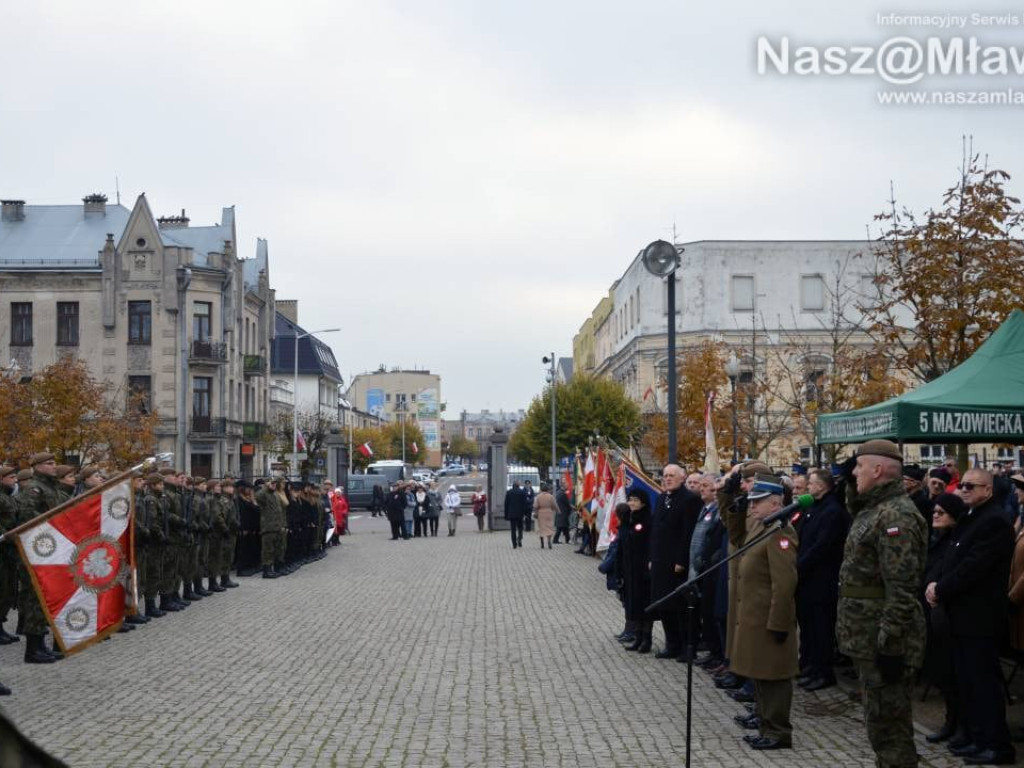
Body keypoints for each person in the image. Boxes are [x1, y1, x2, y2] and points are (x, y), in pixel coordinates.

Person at [837, 440, 928, 768]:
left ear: (877, 470)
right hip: (867, 637)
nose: (855, 472)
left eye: (859, 467)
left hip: (884, 641)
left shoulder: (896, 517)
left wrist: (891, 645)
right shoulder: (876, 508)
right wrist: (850, 481)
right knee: (880, 725)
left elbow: (902, 589)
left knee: (890, 730)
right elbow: (857, 507)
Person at [926, 468, 1015, 765]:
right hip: (961, 615)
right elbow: (953, 557)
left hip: (980, 617)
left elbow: (974, 567)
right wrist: (936, 583)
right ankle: (977, 738)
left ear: (987, 490)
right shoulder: (972, 517)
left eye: (969, 486)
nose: (961, 490)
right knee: (967, 682)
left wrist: (942, 588)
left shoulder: (994, 522)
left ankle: (996, 744)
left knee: (983, 684)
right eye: (960, 485)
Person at [730, 474, 799, 751]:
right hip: (755, 617)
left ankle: (778, 731)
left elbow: (784, 584)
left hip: (770, 620)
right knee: (761, 674)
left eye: (758, 502)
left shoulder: (780, 533)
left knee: (774, 678)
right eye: (751, 502)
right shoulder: (762, 527)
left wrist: (779, 623)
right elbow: (736, 537)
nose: (752, 507)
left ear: (775, 503)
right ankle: (765, 725)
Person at [795, 468, 849, 692]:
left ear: (824, 486)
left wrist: (798, 566)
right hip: (806, 579)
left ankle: (823, 671)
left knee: (821, 629)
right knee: (808, 627)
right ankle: (809, 665)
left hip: (821, 579)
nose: (808, 486)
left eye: (812, 483)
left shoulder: (833, 511)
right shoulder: (812, 507)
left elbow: (821, 546)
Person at [922, 493, 966, 744]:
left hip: (947, 616)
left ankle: (958, 723)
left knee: (953, 675)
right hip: (933, 614)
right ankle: (951, 721)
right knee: (941, 672)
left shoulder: (954, 541)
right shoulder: (938, 540)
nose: (935, 515)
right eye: (934, 511)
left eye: (941, 512)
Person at [648, 463, 702, 660]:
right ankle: (671, 644)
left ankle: (688, 647)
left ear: (682, 477)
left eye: (672, 475)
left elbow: (688, 533)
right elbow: (655, 531)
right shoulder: (662, 497)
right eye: (665, 475)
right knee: (664, 606)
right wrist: (652, 557)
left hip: (678, 563)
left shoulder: (690, 500)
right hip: (661, 560)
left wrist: (681, 560)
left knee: (681, 607)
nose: (667, 478)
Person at [622, 489, 653, 653]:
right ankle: (637, 636)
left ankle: (647, 639)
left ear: (643, 502)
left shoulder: (648, 519)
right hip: (630, 568)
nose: (632, 503)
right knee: (633, 604)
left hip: (643, 569)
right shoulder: (628, 518)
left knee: (644, 604)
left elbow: (650, 543)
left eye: (635, 500)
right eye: (630, 500)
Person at [532, 482, 557, 548]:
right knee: (549, 528)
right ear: (547, 489)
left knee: (541, 528)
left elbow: (535, 506)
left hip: (541, 513)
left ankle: (542, 542)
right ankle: (549, 541)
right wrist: (558, 511)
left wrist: (535, 513)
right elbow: (554, 505)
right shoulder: (551, 496)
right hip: (549, 513)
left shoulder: (538, 497)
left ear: (541, 489)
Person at [504, 481, 528, 549]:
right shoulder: (522, 492)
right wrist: (525, 513)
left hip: (512, 514)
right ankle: (519, 539)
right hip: (520, 513)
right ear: (519, 486)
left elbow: (506, 504)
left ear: (513, 485)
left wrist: (506, 515)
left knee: (513, 529)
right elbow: (525, 504)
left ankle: (514, 544)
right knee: (520, 527)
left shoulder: (509, 492)